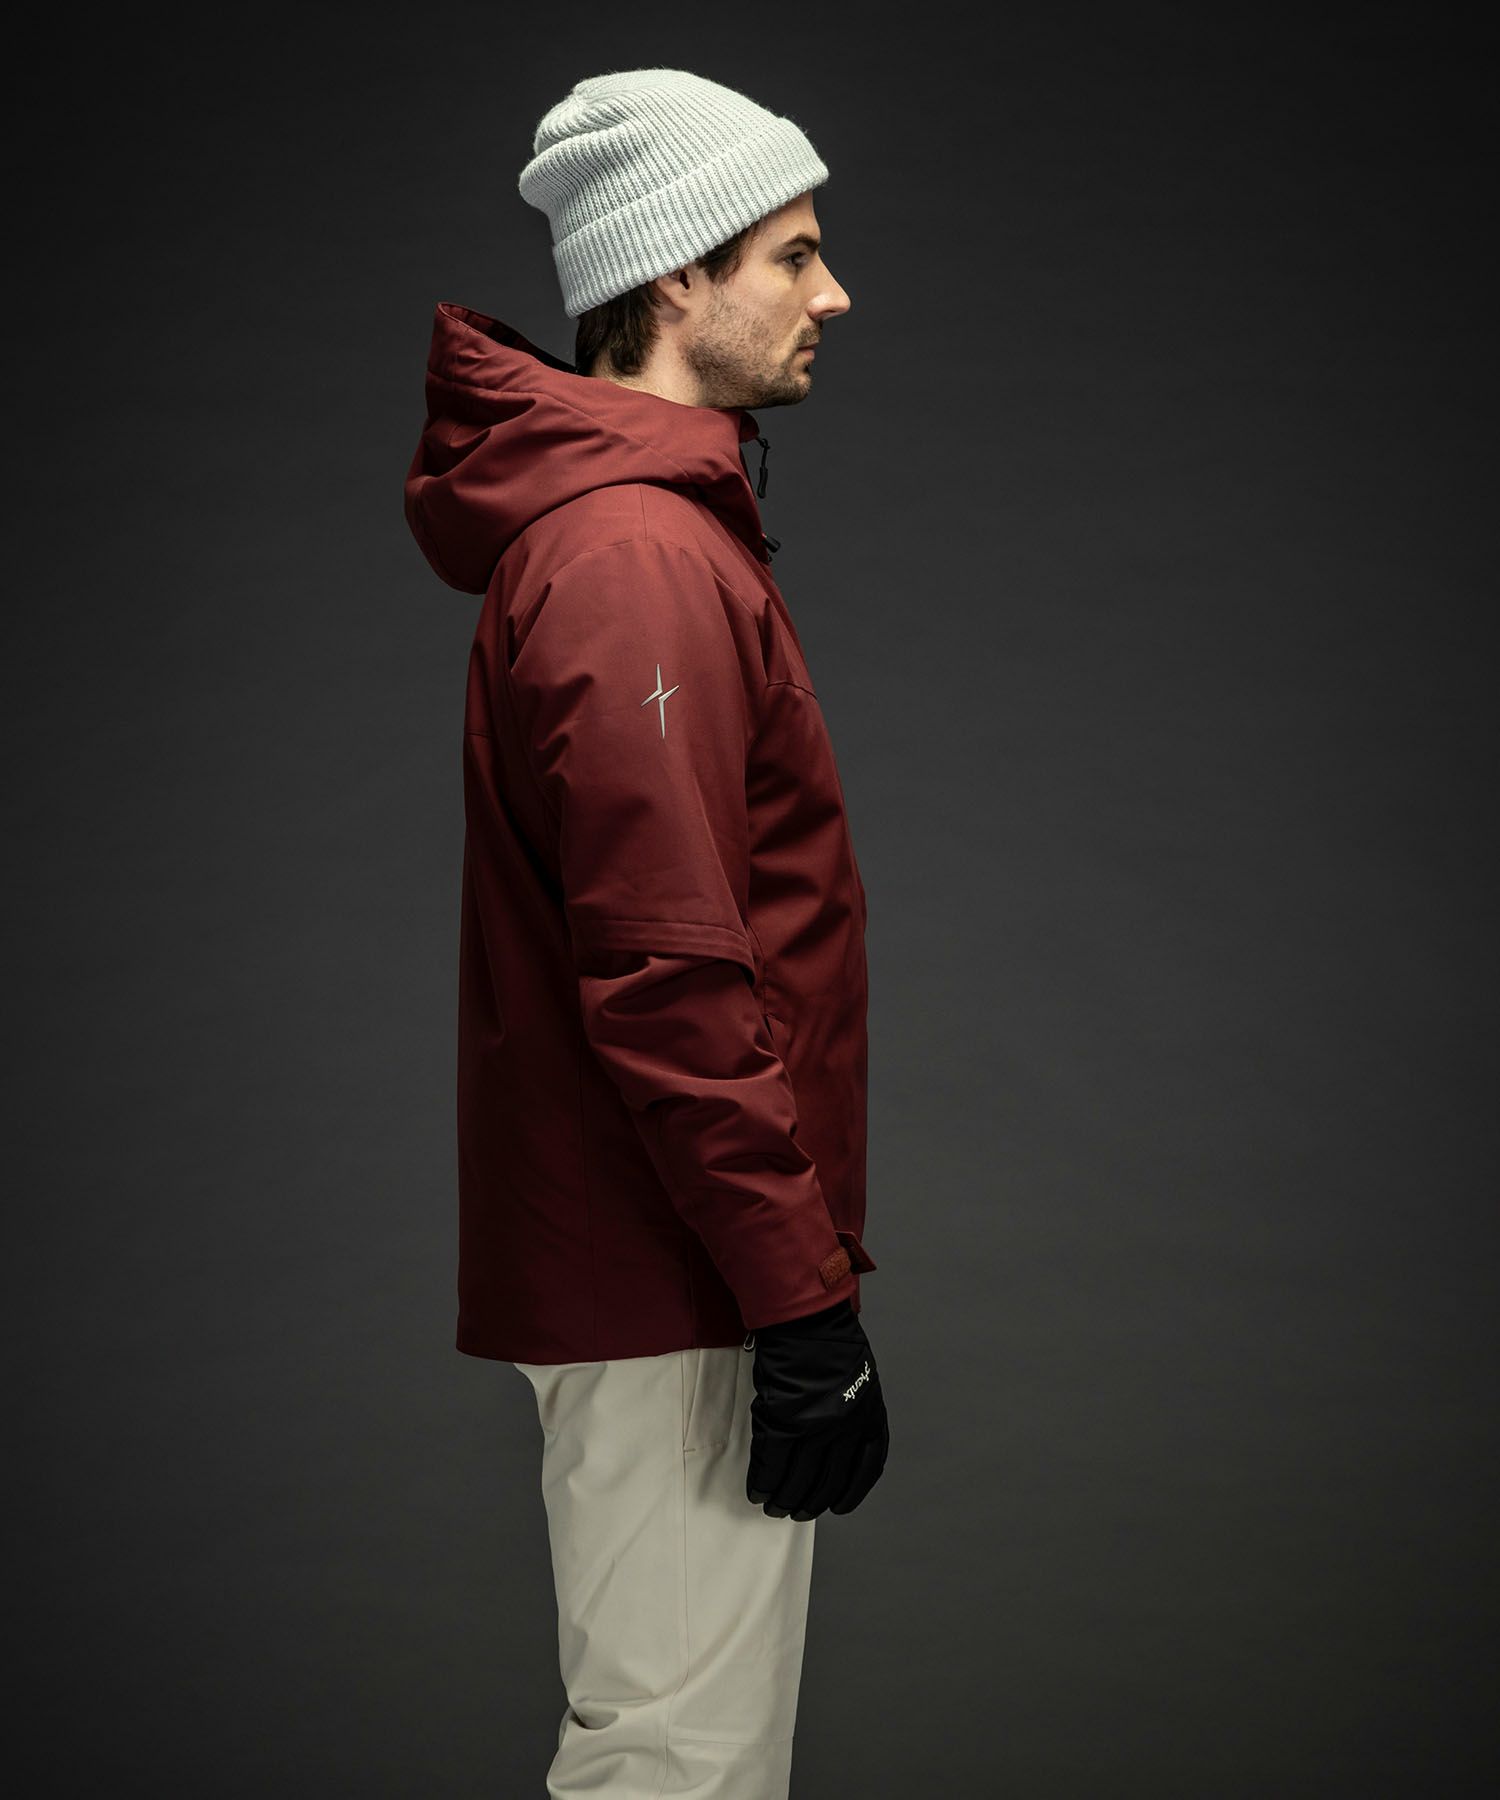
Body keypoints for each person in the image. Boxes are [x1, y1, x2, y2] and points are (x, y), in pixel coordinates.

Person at [403, 66, 889, 1799]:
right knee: (679, 1765)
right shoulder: (634, 560)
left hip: (671, 1267)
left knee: (679, 1754)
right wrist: (799, 1301)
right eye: (795, 254)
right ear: (676, 272)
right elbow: (670, 974)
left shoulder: (643, 538)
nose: (835, 294)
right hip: (680, 1276)